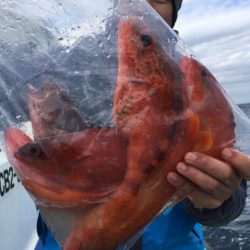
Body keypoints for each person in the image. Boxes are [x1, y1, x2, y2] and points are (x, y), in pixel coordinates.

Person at [35, 1, 249, 249]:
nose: (142, 6)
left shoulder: (193, 79)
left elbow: (232, 198)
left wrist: (217, 197)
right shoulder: (59, 66)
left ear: (173, 13)